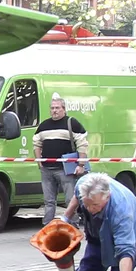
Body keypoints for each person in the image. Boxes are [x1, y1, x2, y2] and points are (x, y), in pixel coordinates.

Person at [36, 93, 91, 224]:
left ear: (64, 109)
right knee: (49, 201)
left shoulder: (72, 123)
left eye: (57, 108)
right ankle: (47, 226)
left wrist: (81, 165)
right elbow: (36, 144)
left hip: (65, 169)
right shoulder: (43, 126)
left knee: (70, 200)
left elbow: (82, 144)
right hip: (47, 170)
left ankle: (73, 226)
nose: (54, 110)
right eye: (52, 108)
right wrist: (39, 163)